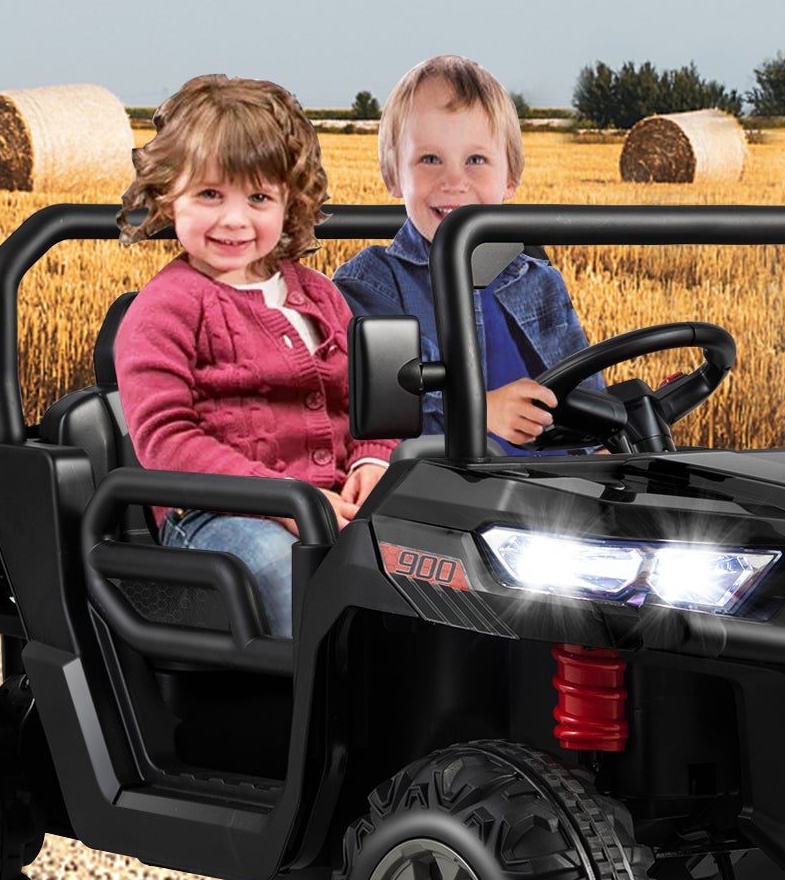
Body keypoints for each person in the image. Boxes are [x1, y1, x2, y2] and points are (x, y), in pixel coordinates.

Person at [114, 75, 395, 636]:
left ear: (291, 202)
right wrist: (283, 501)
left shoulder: (320, 294)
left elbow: (368, 395)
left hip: (336, 499)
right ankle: (326, 720)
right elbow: (166, 439)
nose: (235, 220)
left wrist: (371, 458)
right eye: (210, 194)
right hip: (219, 514)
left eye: (259, 198)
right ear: (170, 195)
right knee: (287, 575)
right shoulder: (164, 309)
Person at [333, 54, 600, 451]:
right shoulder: (372, 284)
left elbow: (587, 392)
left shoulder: (541, 281)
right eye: (429, 159)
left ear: (510, 178)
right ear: (393, 176)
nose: (454, 181)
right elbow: (376, 414)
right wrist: (477, 411)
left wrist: (605, 439)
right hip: (447, 497)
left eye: (475, 160)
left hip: (557, 486)